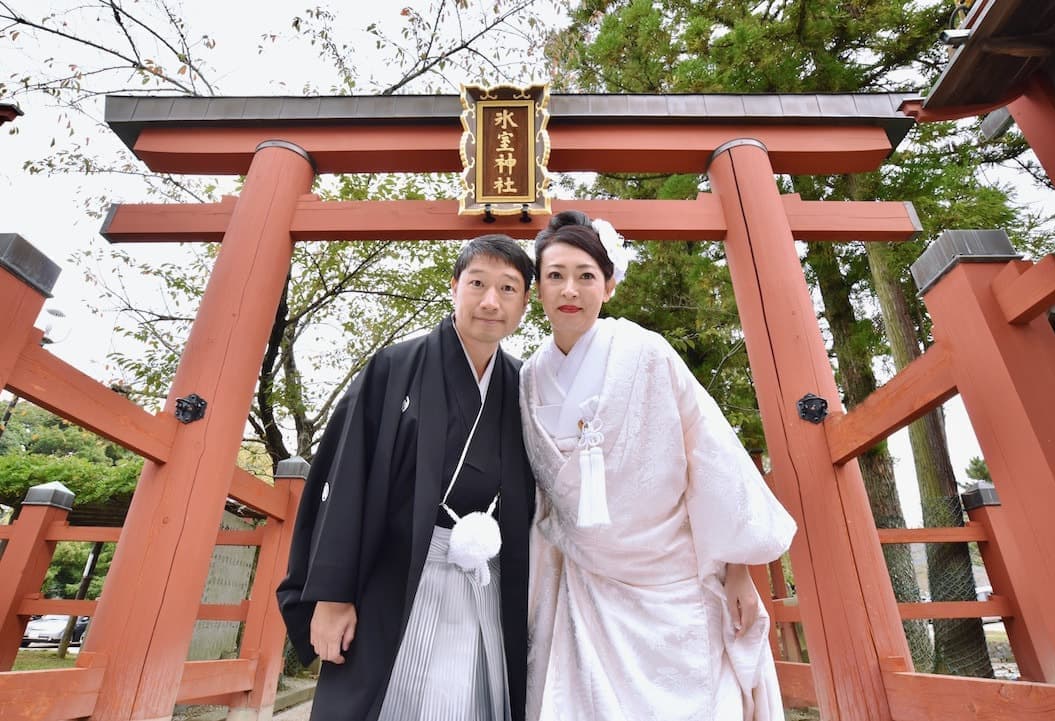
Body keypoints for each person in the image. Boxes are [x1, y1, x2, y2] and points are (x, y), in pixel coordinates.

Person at [520, 211, 797, 721]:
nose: (570, 289)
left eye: (586, 275)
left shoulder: (646, 352)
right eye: (555, 274)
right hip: (588, 580)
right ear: (537, 287)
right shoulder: (530, 376)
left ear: (609, 286)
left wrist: (739, 571)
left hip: (671, 573)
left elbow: (712, 458)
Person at [277, 234, 536, 721]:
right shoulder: (394, 368)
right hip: (396, 578)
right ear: (454, 286)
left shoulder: (524, 384)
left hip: (486, 581)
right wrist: (332, 595)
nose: (490, 301)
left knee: (473, 701)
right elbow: (343, 480)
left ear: (525, 302)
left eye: (508, 288)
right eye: (477, 283)